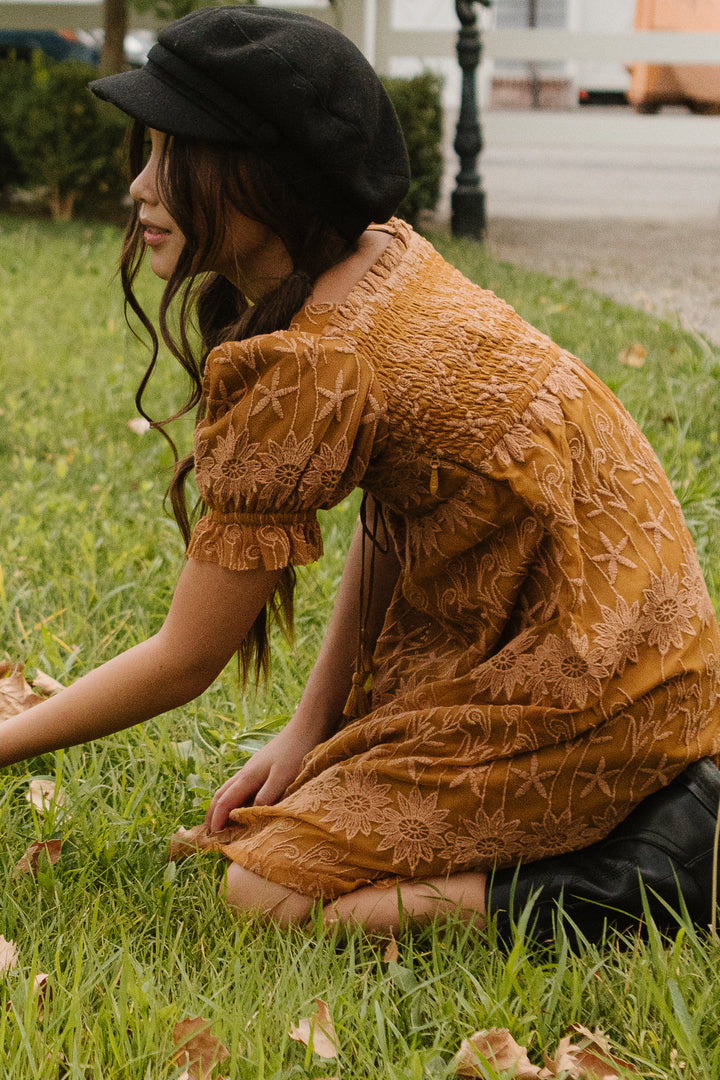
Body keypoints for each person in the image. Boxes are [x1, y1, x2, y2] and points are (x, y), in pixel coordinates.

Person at [3, 5, 719, 939]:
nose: (138, 186)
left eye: (170, 156)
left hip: (591, 682)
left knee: (267, 893)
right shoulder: (380, 257)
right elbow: (398, 516)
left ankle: (656, 880)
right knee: (265, 837)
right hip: (636, 637)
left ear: (261, 176)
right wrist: (312, 733)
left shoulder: (317, 360)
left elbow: (184, 660)